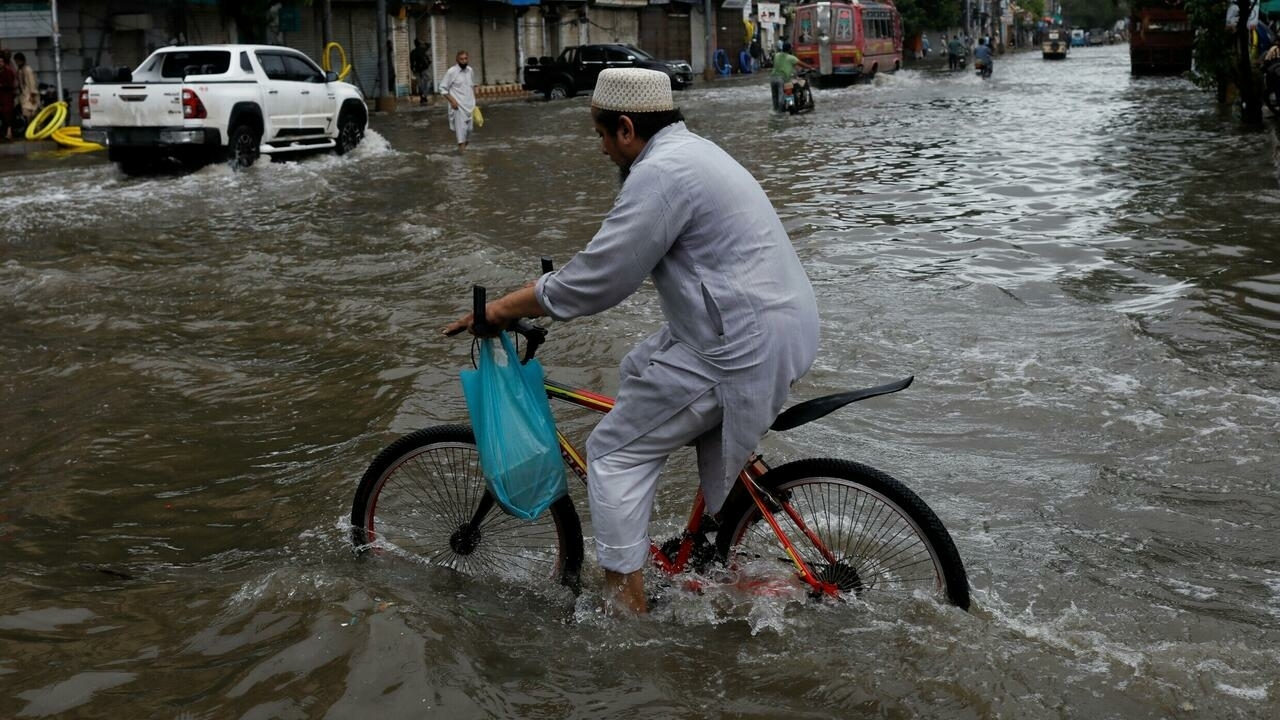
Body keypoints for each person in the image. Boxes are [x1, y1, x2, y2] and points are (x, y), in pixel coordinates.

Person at [443, 68, 819, 615]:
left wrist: (500, 309)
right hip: (768, 322)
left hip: (740, 343)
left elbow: (600, 278)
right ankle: (714, 538)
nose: (601, 150)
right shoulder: (693, 152)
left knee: (612, 453)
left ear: (625, 127)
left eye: (600, 135)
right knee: (639, 365)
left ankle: (625, 604)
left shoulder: (661, 173)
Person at [439, 50, 476, 152]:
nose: (464, 61)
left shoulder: (470, 70)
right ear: (457, 60)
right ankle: (462, 162)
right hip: (458, 107)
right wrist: (452, 101)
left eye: (465, 59)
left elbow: (472, 86)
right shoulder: (451, 72)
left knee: (469, 132)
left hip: (470, 106)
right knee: (461, 137)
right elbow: (442, 89)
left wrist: (474, 102)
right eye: (461, 59)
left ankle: (461, 153)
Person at [770, 41, 813, 112]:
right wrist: (811, 68)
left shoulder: (777, 55)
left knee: (775, 97)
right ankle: (782, 112)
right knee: (784, 94)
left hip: (772, 78)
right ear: (789, 49)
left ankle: (776, 110)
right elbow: (802, 64)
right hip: (782, 79)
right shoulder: (791, 58)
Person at [14, 52, 38, 121]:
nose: (17, 63)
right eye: (16, 61)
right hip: (24, 94)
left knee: (31, 113)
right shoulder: (20, 70)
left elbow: (32, 82)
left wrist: (32, 95)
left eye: (18, 61)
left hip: (29, 95)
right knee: (26, 113)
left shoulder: (27, 69)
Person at [0, 50, 17, 141]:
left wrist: (2, 85)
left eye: (1, 61)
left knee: (7, 114)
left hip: (7, 96)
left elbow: (11, 84)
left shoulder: (9, 71)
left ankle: (9, 132)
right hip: (2, 97)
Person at [410, 40, 432, 104]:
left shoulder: (413, 52)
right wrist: (425, 43)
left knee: (420, 84)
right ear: (419, 44)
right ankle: (424, 95)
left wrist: (412, 69)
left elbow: (411, 62)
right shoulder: (422, 49)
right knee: (428, 81)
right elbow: (429, 45)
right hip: (424, 69)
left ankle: (422, 97)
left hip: (416, 70)